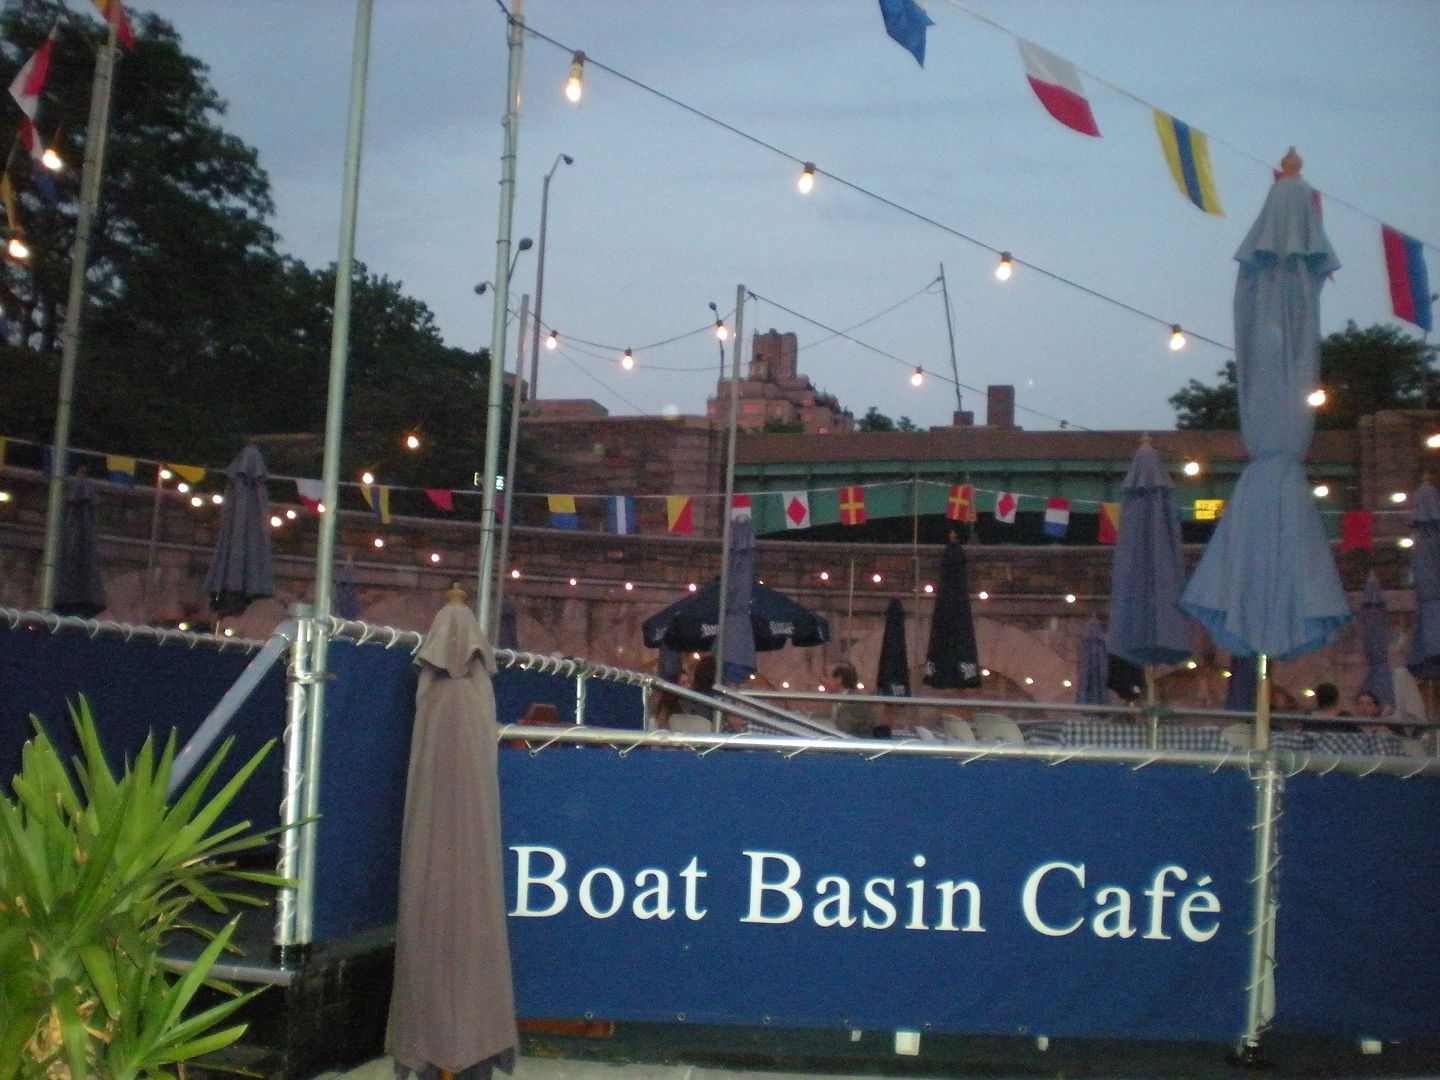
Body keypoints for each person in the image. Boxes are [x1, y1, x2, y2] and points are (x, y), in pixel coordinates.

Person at [829, 660, 874, 738]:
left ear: (839, 679)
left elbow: (845, 731)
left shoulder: (855, 702)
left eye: (827, 676)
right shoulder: (839, 698)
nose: (824, 680)